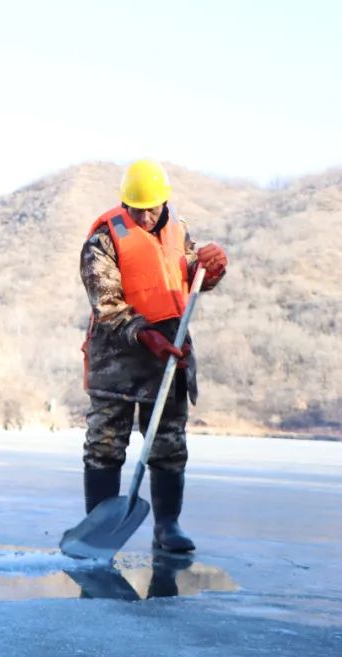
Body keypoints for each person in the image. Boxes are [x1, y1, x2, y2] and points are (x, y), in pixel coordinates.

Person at [79, 160, 228, 552]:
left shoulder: (178, 230)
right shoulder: (103, 240)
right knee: (105, 444)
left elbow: (191, 272)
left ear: (165, 201)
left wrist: (210, 268)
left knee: (168, 445)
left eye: (153, 207)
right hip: (118, 364)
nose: (146, 216)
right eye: (137, 208)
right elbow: (106, 304)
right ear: (124, 203)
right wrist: (145, 334)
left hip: (171, 356)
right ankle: (98, 530)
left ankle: (168, 526)